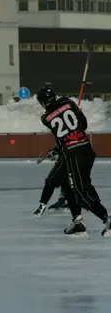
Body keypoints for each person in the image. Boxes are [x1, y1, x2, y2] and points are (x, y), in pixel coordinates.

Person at [37, 86, 111, 236]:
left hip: (72, 154)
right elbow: (82, 125)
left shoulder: (45, 118)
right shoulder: (69, 102)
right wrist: (77, 110)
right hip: (86, 149)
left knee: (79, 191)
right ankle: (78, 222)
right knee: (75, 186)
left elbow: (62, 137)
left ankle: (106, 218)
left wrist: (57, 149)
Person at [33, 148, 69, 217]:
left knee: (51, 181)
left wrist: (57, 153)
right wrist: (55, 151)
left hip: (71, 159)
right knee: (65, 179)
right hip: (67, 159)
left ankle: (43, 205)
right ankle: (63, 200)